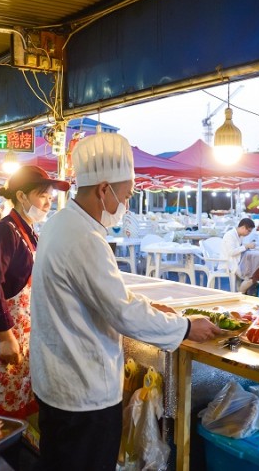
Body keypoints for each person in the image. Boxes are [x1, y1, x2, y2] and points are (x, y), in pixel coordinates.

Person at [30, 133, 221, 470]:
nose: (126, 205)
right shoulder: (84, 238)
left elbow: (105, 293)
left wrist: (149, 307)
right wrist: (186, 326)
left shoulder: (60, 223)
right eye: (127, 195)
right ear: (104, 190)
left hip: (57, 383)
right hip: (82, 393)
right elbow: (121, 312)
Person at [0, 165, 70, 419]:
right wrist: (5, 337)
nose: (48, 204)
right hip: (2, 335)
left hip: (23, 333)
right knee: (1, 416)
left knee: (18, 410)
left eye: (50, 198)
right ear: (22, 196)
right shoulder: (4, 231)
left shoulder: (29, 232)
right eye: (42, 196)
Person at [222, 218, 257, 293]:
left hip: (238, 262)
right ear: (243, 227)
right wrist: (246, 246)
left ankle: (241, 292)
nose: (249, 233)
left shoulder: (239, 236)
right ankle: (240, 293)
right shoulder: (230, 235)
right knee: (252, 276)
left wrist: (246, 246)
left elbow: (238, 248)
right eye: (249, 231)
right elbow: (231, 252)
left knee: (255, 271)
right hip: (230, 263)